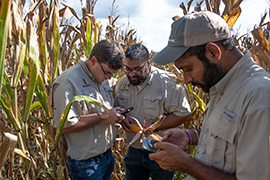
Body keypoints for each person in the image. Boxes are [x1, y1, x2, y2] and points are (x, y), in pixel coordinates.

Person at [149, 11, 270, 180]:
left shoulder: (258, 96)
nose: (186, 79)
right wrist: (189, 136)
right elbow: (229, 138)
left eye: (188, 68)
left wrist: (186, 164)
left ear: (213, 52)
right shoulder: (221, 83)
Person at [114, 44, 191, 180]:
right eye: (128, 69)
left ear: (148, 63)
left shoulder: (167, 83)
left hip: (161, 150)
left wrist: (153, 126)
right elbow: (118, 109)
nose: (131, 74)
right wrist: (123, 119)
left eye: (137, 69)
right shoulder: (123, 84)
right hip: (134, 150)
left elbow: (183, 114)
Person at [52, 39, 126, 180]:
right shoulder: (68, 82)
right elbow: (64, 126)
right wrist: (103, 116)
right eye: (107, 73)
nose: (109, 78)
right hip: (86, 165)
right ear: (93, 60)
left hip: (107, 157)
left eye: (112, 75)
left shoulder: (101, 78)